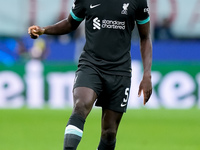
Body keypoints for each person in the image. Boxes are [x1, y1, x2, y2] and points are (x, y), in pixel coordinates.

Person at [28, 0, 152, 149]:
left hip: (120, 71)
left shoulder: (137, 1)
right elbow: (70, 23)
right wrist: (44, 30)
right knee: (81, 105)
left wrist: (147, 75)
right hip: (91, 65)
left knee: (109, 132)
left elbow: (145, 37)